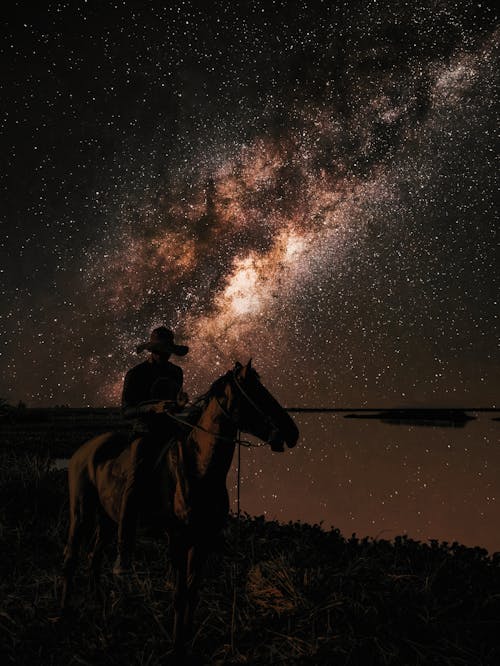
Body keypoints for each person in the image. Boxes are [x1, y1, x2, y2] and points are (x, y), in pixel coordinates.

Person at [114, 326, 189, 574]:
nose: (165, 356)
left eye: (168, 352)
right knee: (134, 485)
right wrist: (152, 408)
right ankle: (123, 553)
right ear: (153, 350)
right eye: (162, 351)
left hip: (170, 432)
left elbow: (175, 405)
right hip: (145, 434)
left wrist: (178, 405)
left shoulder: (176, 373)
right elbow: (126, 411)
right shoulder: (136, 374)